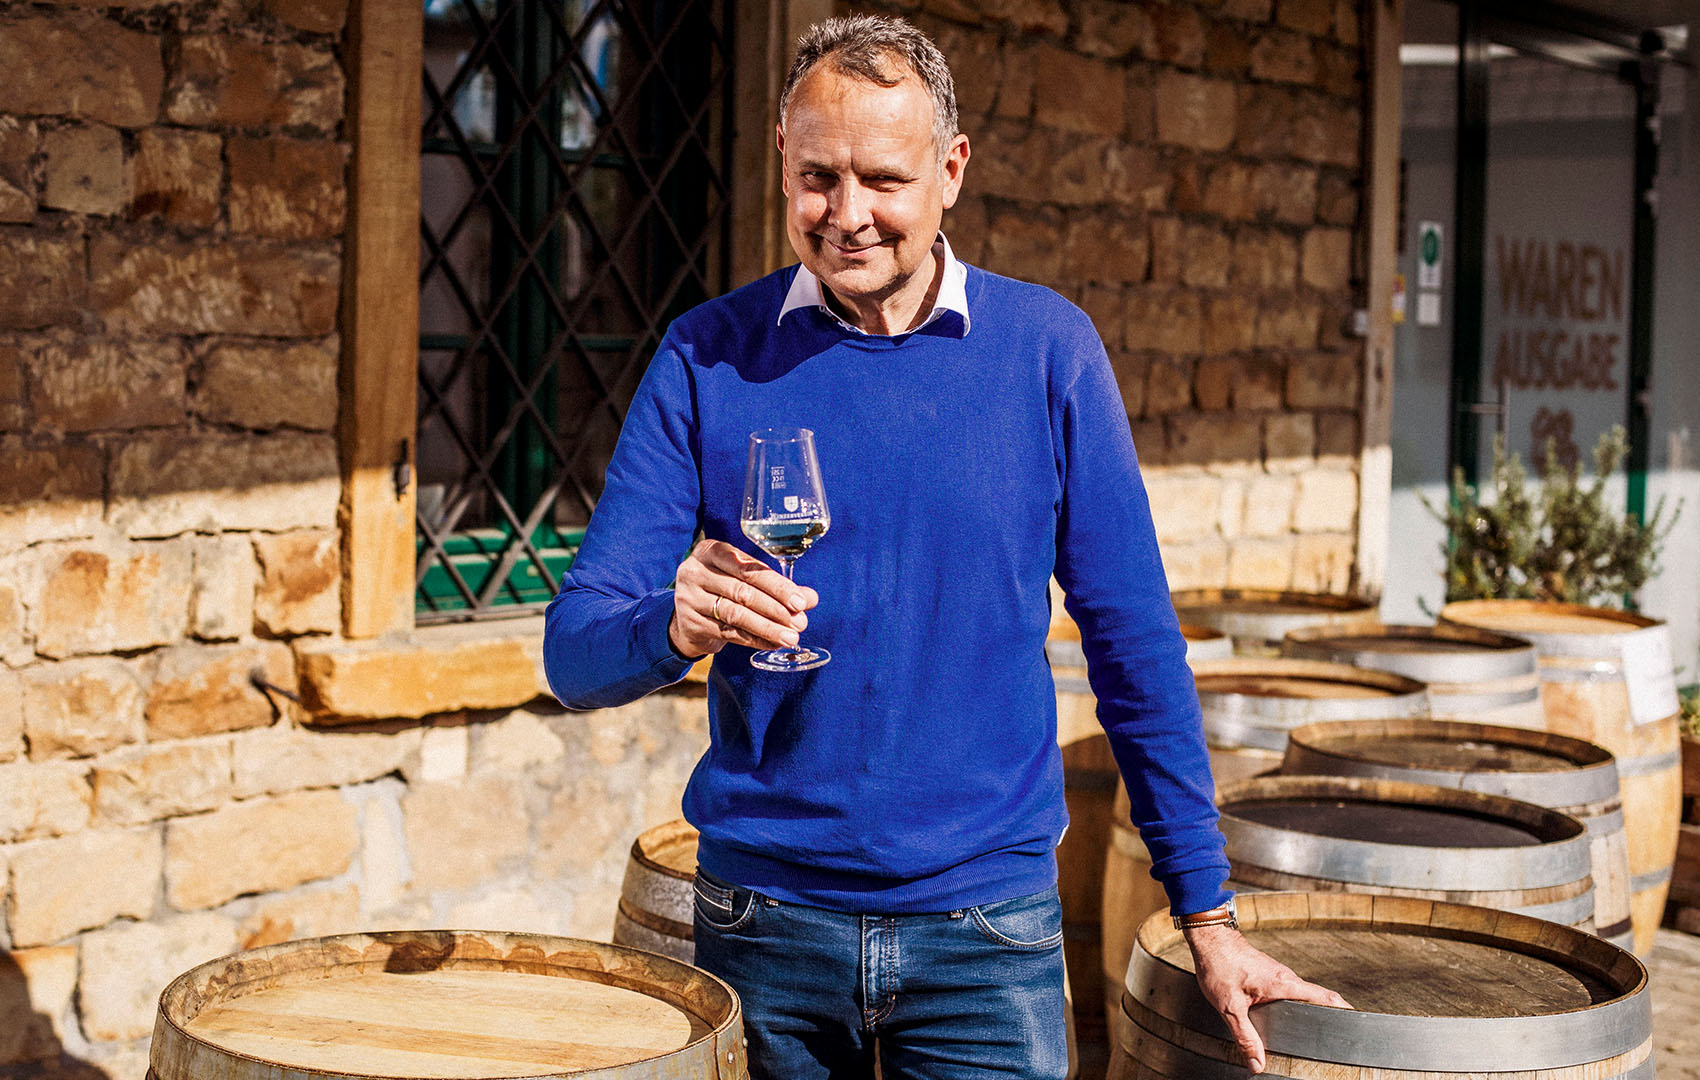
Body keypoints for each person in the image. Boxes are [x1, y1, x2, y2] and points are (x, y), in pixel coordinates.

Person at [544, 14, 1345, 1079]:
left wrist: (1207, 912)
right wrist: (671, 624)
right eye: (819, 176)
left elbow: (1135, 644)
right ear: (781, 153)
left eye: (884, 178)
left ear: (951, 170)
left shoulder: (1047, 352)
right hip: (763, 926)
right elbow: (573, 653)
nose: (848, 215)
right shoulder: (706, 357)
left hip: (986, 939)